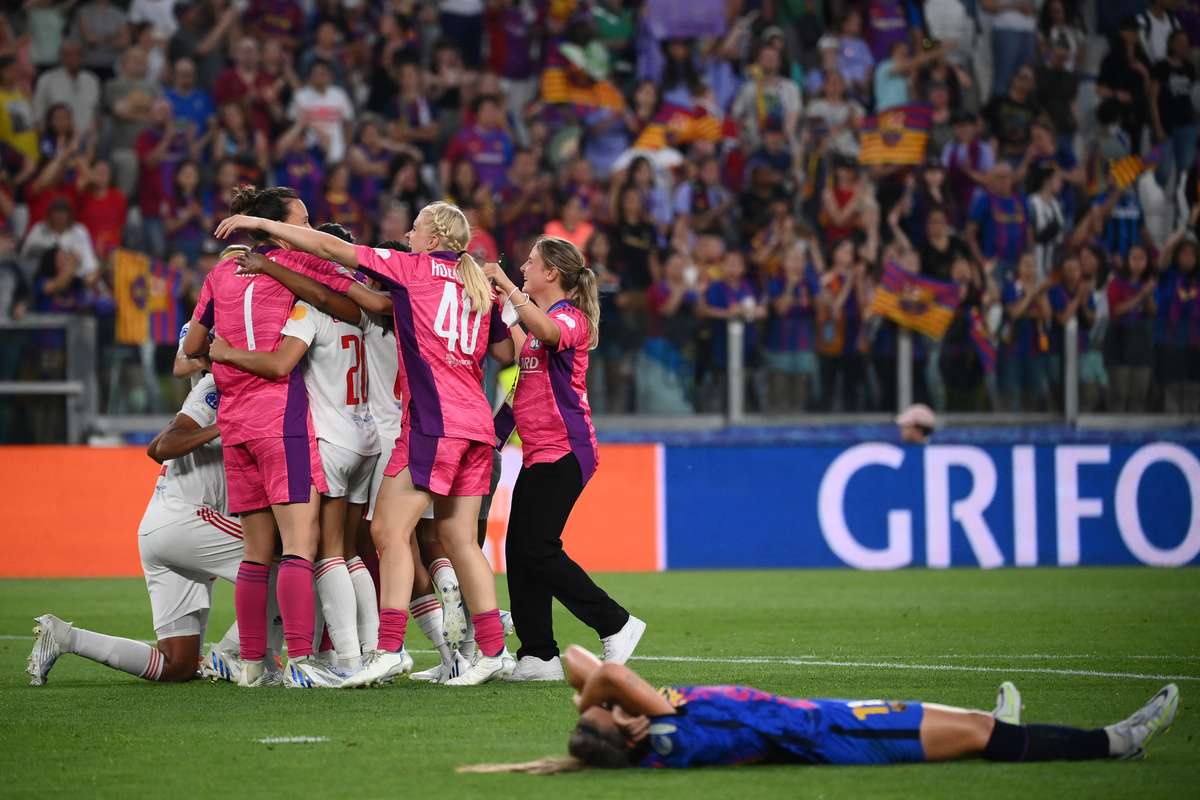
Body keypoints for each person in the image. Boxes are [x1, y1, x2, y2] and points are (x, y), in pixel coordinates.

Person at [213, 200, 516, 687]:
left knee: (388, 536)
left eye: (415, 228)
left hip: (430, 425)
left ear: (433, 238)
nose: (409, 234)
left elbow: (336, 252)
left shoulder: (415, 270)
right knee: (458, 541)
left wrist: (261, 226)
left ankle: (390, 649)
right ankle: (492, 650)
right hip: (477, 423)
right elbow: (507, 350)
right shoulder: (474, 284)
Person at [460, 645, 1179, 772]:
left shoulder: (654, 732)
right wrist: (605, 704)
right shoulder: (666, 727)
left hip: (822, 717)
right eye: (606, 713)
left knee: (968, 725)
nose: (607, 703)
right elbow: (601, 665)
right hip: (836, 735)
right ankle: (1115, 743)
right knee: (979, 735)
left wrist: (598, 715)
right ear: (623, 726)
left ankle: (1020, 731)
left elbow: (591, 671)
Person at [184, 186, 354, 689]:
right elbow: (347, 299)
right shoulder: (297, 269)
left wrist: (224, 343)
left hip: (235, 424)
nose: (308, 226)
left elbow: (194, 345)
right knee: (301, 546)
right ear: (275, 225)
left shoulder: (219, 274)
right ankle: (301, 663)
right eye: (300, 219)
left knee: (256, 554)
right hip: (282, 420)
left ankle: (253, 666)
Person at [207, 226, 382, 676]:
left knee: (303, 552)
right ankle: (358, 652)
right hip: (369, 435)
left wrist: (225, 353)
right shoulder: (363, 312)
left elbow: (279, 362)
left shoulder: (306, 309)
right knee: (347, 551)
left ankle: (297, 660)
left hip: (320, 437)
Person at [26, 375, 274, 685]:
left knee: (178, 665)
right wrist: (226, 427)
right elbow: (162, 447)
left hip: (159, 528)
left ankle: (65, 637)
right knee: (288, 570)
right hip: (189, 519)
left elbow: (160, 440)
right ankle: (228, 656)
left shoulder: (215, 392)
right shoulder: (216, 389)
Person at [482, 237, 645, 682]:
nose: (522, 267)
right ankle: (538, 654)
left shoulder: (568, 318)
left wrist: (508, 291)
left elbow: (550, 333)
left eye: (530, 263)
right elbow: (521, 398)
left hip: (567, 451)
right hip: (540, 453)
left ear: (551, 273)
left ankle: (615, 623)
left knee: (537, 548)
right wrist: (488, 440)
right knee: (520, 549)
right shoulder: (535, 330)